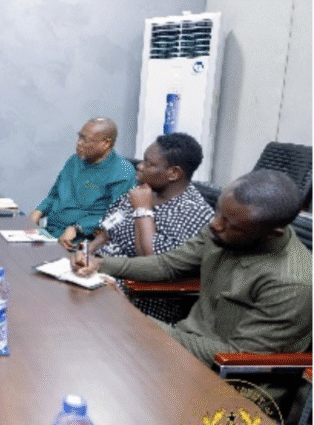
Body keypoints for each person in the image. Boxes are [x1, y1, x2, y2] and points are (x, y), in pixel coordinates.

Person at [73, 170, 311, 386]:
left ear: (272, 233)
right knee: (87, 358)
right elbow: (168, 264)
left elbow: (238, 357)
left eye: (232, 225)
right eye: (219, 212)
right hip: (183, 349)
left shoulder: (292, 282)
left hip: (232, 386)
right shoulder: (225, 229)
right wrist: (102, 264)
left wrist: (137, 321)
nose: (215, 224)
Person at [86, 133, 215, 323]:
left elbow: (154, 264)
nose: (140, 166)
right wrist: (87, 251)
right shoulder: (145, 191)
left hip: (140, 295)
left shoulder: (193, 212)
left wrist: (143, 211)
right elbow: (109, 228)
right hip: (102, 271)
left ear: (174, 173)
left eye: (149, 164)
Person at [30, 117, 137, 249]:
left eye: (85, 140)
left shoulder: (123, 172)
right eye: (79, 137)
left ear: (106, 143)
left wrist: (78, 228)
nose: (78, 143)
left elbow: (118, 216)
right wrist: (38, 211)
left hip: (81, 242)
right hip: (50, 233)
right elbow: (54, 195)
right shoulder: (74, 161)